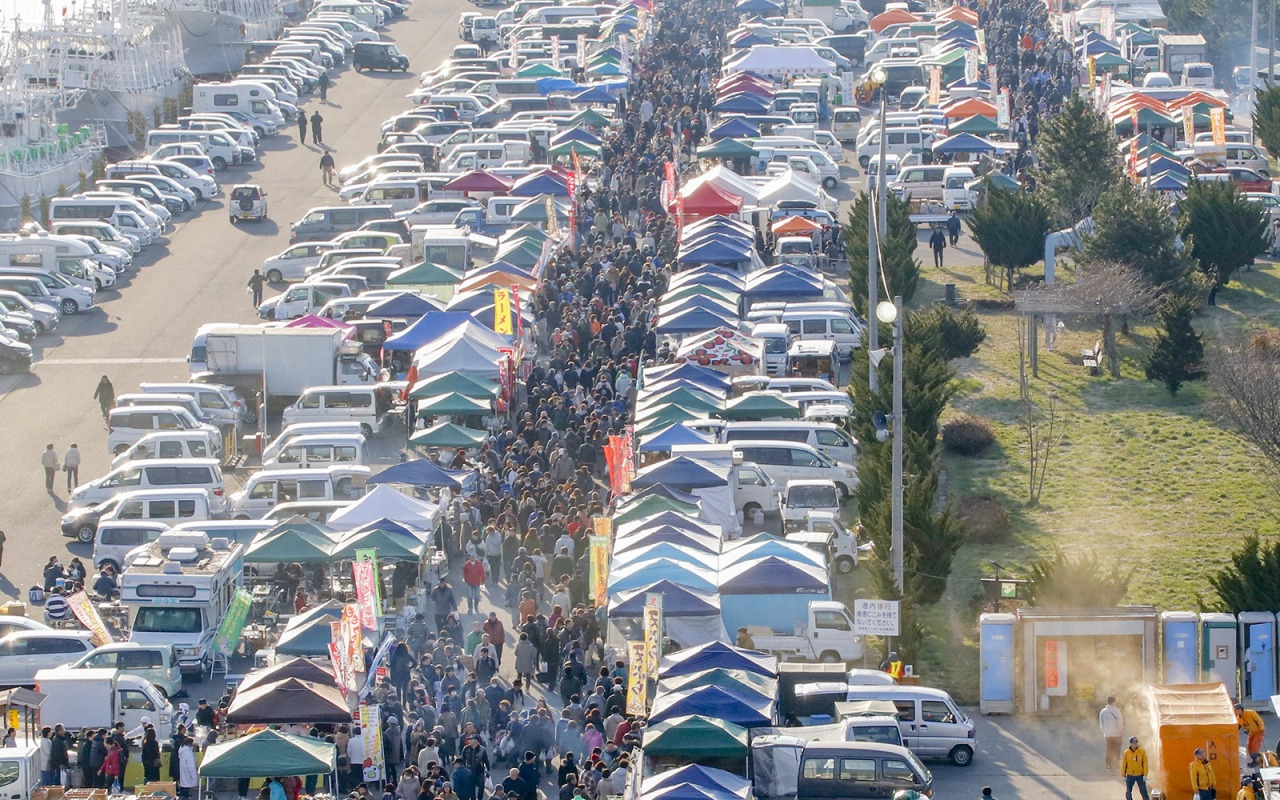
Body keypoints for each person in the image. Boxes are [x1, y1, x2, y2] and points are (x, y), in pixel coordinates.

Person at [1099, 696, 1124, 770]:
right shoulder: (1117, 711)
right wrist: (1121, 731)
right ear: (1114, 702)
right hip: (1117, 734)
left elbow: (1101, 724)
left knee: (1109, 749)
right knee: (1117, 749)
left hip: (1107, 734)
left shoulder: (1102, 712)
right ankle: (1116, 764)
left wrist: (1104, 732)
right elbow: (1120, 723)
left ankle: (1108, 764)